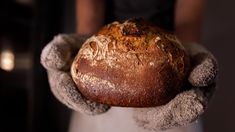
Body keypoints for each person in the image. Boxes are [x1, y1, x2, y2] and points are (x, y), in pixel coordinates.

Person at [40, 0, 218, 132]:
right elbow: (89, 19)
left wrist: (188, 59)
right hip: (103, 66)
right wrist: (80, 53)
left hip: (169, 91)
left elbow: (188, 20)